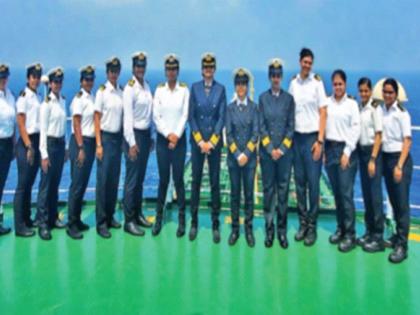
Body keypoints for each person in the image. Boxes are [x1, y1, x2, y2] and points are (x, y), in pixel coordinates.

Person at [288, 48, 327, 246]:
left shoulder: (317, 84)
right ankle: (302, 223)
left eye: (310, 62)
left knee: (313, 185)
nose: (307, 65)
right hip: (296, 139)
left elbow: (323, 112)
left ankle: (312, 227)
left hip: (312, 139)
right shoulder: (293, 83)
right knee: (300, 184)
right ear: (300, 62)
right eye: (305, 62)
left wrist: (320, 141)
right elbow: (288, 110)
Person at [188, 52, 226, 242]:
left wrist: (212, 141)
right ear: (202, 70)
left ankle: (215, 223)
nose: (208, 71)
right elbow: (191, 116)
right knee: (195, 182)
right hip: (198, 144)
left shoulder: (221, 89)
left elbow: (222, 117)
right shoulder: (194, 89)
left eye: (211, 68)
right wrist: (200, 141)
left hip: (213, 143)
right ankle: (193, 222)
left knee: (214, 183)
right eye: (205, 68)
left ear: (214, 69)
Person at [259, 59, 295, 248]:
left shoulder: (289, 99)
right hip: (267, 155)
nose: (276, 78)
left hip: (284, 155)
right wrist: (269, 148)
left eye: (278, 75)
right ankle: (269, 228)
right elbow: (262, 126)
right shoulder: (263, 98)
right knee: (268, 191)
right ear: (269, 77)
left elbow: (291, 127)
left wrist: (280, 149)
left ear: (281, 77)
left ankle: (282, 231)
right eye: (273, 75)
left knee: (283, 193)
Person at [152, 54, 189, 236]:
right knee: (163, 180)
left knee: (179, 180)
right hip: (163, 141)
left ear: (178, 71)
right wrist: (169, 135)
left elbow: (184, 115)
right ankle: (158, 219)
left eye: (174, 69)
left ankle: (182, 221)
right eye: (169, 69)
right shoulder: (159, 91)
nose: (171, 72)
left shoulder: (184, 90)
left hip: (179, 142)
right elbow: (156, 116)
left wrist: (176, 136)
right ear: (165, 71)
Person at [325, 69, 360, 252]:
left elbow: (355, 129)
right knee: (337, 193)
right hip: (330, 149)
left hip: (346, 151)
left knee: (346, 194)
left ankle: (350, 235)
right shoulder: (327, 103)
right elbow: (322, 125)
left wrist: (347, 152)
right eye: (335, 84)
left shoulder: (352, 105)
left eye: (340, 84)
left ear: (345, 84)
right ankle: (340, 228)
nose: (337, 87)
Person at [225, 68, 258, 247]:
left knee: (249, 195)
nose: (241, 87)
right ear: (235, 86)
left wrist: (246, 154)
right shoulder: (230, 109)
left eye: (243, 84)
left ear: (247, 86)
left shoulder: (254, 108)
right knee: (235, 194)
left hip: (250, 159)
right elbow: (228, 134)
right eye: (238, 84)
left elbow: (255, 133)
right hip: (234, 159)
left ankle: (249, 229)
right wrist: (238, 154)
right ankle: (235, 229)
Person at [122, 51, 154, 236]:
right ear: (133, 68)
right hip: (133, 136)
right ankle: (129, 220)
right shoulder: (130, 88)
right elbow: (128, 118)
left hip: (144, 135)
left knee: (140, 178)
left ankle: (138, 213)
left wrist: (150, 137)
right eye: (138, 66)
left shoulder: (147, 86)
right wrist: (132, 143)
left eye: (143, 66)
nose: (140, 69)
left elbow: (148, 115)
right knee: (132, 181)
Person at [381, 78, 413, 264]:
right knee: (393, 200)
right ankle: (396, 237)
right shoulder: (382, 111)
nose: (387, 95)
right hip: (386, 159)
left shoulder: (402, 114)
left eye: (390, 92)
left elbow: (407, 141)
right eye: (385, 92)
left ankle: (403, 245)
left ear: (396, 94)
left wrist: (399, 166)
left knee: (401, 205)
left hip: (399, 160)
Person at [94, 57, 124, 239]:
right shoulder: (102, 92)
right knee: (103, 182)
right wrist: (98, 144)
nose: (114, 74)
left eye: (116, 71)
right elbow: (97, 118)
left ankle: (111, 215)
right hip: (105, 139)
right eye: (111, 71)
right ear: (107, 73)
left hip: (117, 139)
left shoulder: (121, 92)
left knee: (113, 180)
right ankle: (101, 222)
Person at [37, 67, 67, 240]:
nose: (57, 85)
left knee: (55, 184)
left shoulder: (62, 101)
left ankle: (53, 217)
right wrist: (44, 154)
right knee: (45, 186)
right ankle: (43, 223)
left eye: (60, 82)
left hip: (60, 145)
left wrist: (66, 148)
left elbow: (63, 126)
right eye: (55, 82)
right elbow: (43, 131)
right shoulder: (46, 104)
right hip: (49, 146)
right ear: (50, 84)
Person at [66, 65, 96, 239]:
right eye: (86, 79)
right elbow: (76, 123)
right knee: (76, 184)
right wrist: (80, 148)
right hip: (81, 143)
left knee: (83, 183)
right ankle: (71, 224)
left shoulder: (91, 97)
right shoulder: (78, 99)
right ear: (81, 81)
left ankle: (77, 219)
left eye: (91, 79)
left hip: (89, 143)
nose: (89, 82)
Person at [14, 63, 43, 237]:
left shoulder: (38, 96)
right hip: (27, 143)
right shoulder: (23, 97)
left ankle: (26, 218)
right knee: (22, 186)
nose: (36, 80)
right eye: (33, 77)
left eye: (38, 77)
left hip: (37, 141)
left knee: (29, 183)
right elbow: (21, 123)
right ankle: (19, 226)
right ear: (28, 78)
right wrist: (29, 146)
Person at [356, 77, 385, 252]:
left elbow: (379, 135)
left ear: (371, 91)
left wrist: (373, 159)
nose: (364, 94)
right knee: (367, 194)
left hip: (372, 153)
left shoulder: (375, 109)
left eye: (366, 91)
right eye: (361, 91)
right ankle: (369, 231)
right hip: (361, 152)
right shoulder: (359, 108)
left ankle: (378, 236)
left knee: (375, 195)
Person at [0, 64, 15, 236]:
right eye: (0, 77)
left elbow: (11, 123)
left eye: (4, 77)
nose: (3, 80)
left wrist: (13, 144)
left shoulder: (9, 95)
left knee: (1, 183)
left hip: (6, 144)